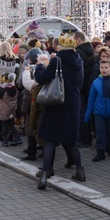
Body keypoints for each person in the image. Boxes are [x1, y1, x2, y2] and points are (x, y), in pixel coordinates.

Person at [36, 34, 85, 189]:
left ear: (59, 47)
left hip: (57, 103)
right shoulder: (79, 61)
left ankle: (45, 173)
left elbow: (42, 78)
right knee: (70, 140)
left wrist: (39, 66)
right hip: (73, 103)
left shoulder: (57, 60)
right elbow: (80, 83)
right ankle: (80, 171)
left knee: (50, 139)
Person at [84, 59, 110, 162]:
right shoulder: (96, 82)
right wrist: (88, 115)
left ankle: (109, 149)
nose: (104, 70)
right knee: (100, 132)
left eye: (106, 68)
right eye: (102, 68)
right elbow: (91, 99)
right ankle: (100, 151)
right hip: (99, 112)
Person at [0, 72, 21, 147]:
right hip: (12, 110)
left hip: (4, 110)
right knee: (10, 124)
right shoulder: (14, 89)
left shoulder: (3, 91)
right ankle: (16, 137)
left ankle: (5, 140)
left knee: (5, 124)